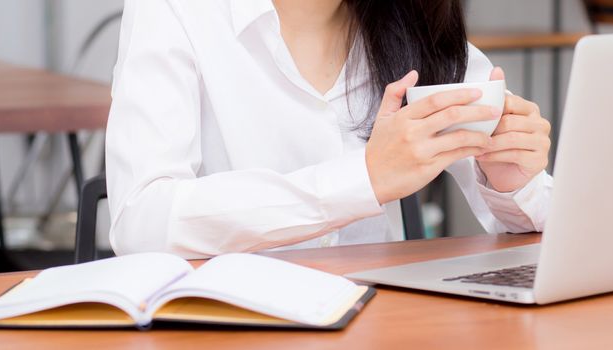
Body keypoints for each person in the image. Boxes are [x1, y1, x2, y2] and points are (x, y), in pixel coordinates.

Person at [106, 0, 553, 258]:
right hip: (226, 325)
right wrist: (364, 178)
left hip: (382, 320)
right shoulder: (177, 11)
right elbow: (141, 221)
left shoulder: (409, 21)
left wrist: (511, 184)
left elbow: (546, 226)